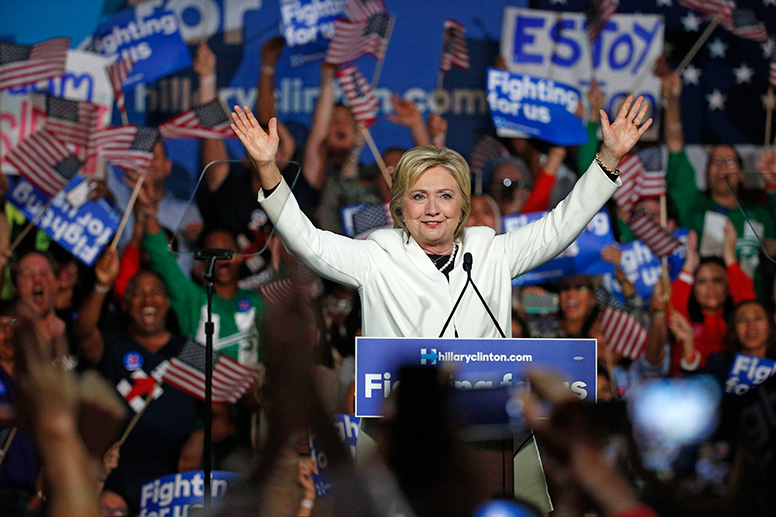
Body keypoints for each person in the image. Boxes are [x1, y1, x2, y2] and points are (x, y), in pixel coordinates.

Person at [231, 95, 651, 510]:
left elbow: (562, 225)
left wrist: (608, 157)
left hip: (493, 430)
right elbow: (307, 242)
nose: (432, 209)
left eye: (445, 196)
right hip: (402, 433)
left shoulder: (491, 251)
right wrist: (268, 167)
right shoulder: (376, 255)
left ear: (463, 205)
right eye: (419, 196)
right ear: (399, 207)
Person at [74, 251, 200, 512]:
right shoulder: (113, 345)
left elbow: (223, 416)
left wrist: (199, 437)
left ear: (167, 302)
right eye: (137, 293)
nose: (147, 300)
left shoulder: (192, 350)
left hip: (176, 473)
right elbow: (84, 333)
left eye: (155, 291)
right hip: (121, 471)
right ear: (126, 305)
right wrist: (101, 285)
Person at [668, 227, 755, 375]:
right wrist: (689, 266)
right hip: (691, 391)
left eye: (717, 280)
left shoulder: (738, 323)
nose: (710, 287)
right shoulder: (686, 323)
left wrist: (730, 258)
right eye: (702, 282)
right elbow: (673, 310)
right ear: (693, 289)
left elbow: (751, 308)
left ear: (728, 288)